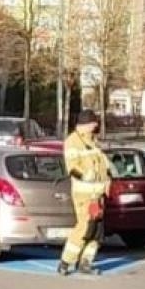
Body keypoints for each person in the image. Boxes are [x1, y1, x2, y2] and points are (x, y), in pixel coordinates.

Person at [59, 109, 110, 276]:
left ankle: (86, 262)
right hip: (85, 194)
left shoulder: (93, 141)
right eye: (93, 123)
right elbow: (72, 167)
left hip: (98, 195)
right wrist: (86, 175)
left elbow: (102, 164)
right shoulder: (73, 142)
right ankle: (66, 261)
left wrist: (108, 178)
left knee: (97, 231)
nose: (96, 125)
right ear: (85, 125)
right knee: (84, 228)